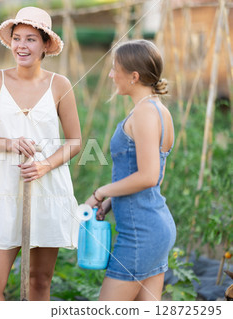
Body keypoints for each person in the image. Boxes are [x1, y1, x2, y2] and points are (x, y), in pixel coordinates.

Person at [0, 7, 82, 301]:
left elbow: (75, 141)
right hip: (5, 189)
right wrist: (9, 143)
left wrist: (45, 165)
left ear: (45, 44)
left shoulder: (60, 85)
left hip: (48, 190)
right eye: (16, 38)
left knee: (39, 282)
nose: (21, 46)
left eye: (31, 39)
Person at [85, 39, 176, 301]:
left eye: (115, 69)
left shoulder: (145, 113)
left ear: (134, 76)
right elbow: (151, 175)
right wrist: (112, 201)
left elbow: (148, 176)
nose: (112, 75)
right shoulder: (159, 111)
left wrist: (100, 192)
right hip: (153, 224)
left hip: (141, 232)